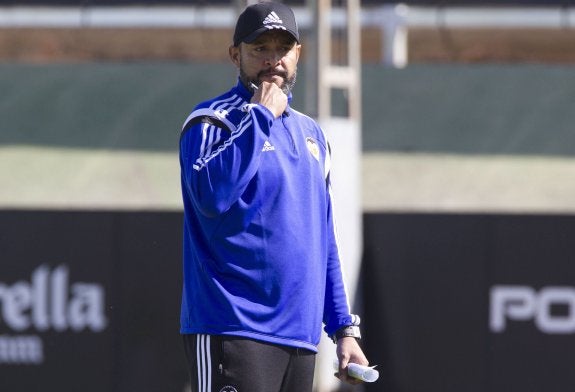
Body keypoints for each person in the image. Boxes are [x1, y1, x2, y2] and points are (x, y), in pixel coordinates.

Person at [179, 2, 369, 391]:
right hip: (231, 327)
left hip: (299, 340)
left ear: (297, 54)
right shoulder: (211, 120)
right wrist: (260, 117)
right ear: (236, 55)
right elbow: (211, 197)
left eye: (282, 49)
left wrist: (343, 328)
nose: (272, 61)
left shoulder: (313, 135)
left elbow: (323, 238)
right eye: (259, 49)